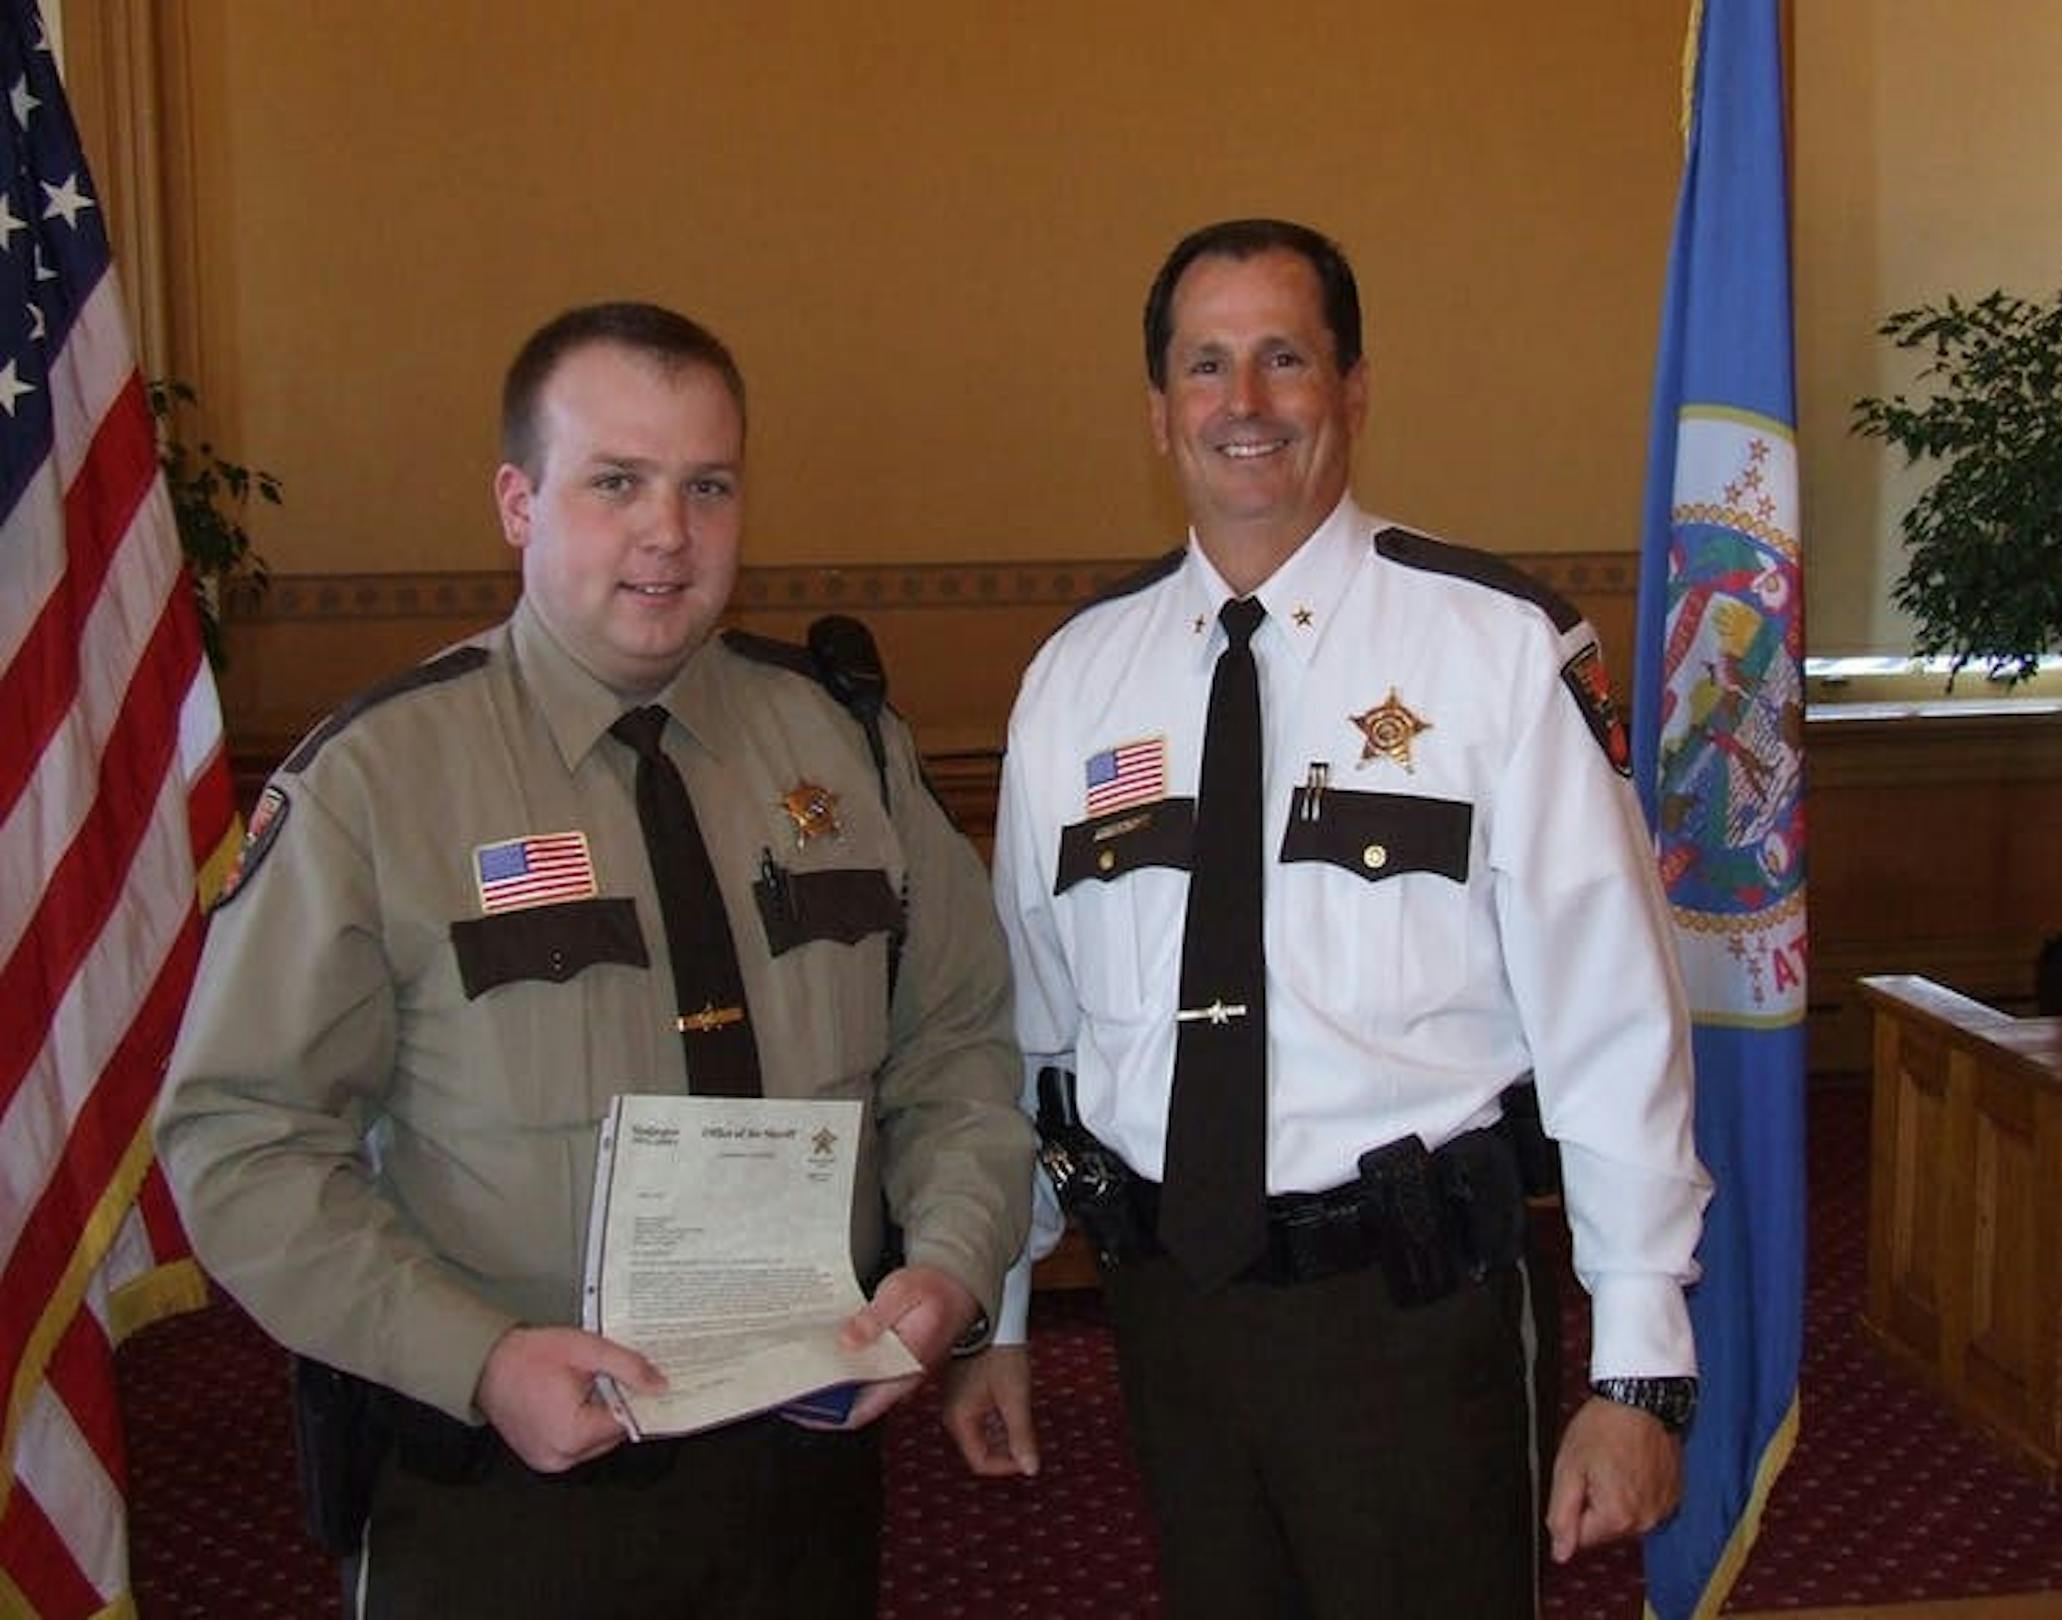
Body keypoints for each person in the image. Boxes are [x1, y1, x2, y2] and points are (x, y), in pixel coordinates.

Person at [157, 302, 1033, 1619]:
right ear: (518, 501)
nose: (667, 532)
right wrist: (480, 1359)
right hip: (499, 1487)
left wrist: (953, 1259)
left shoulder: (844, 749)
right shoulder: (377, 784)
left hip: (800, 1470)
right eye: (616, 482)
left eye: (708, 486)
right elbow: (240, 1137)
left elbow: (959, 1048)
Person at [944, 219, 1712, 1618]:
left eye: (1284, 359)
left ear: (1352, 390)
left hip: (1410, 1318)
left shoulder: (1495, 652)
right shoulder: (1074, 681)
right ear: (1158, 410)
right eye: (1206, 365)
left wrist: (1639, 1369)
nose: (1244, 405)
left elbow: (1615, 1029)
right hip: (1173, 1313)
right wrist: (997, 1320)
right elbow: (1035, 1048)